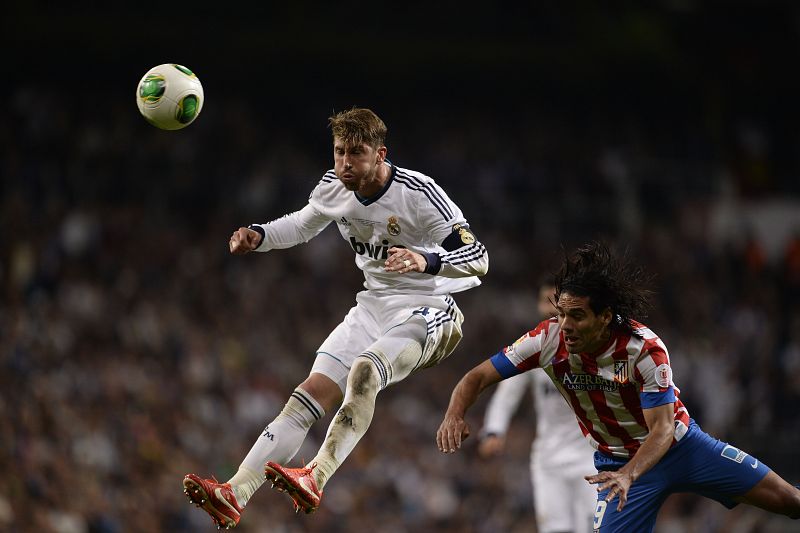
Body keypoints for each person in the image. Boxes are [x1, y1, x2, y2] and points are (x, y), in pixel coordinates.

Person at [183, 107, 489, 529]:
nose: (345, 163)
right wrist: (261, 236)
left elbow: (479, 257)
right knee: (308, 394)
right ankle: (236, 491)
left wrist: (426, 258)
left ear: (380, 155)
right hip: (373, 306)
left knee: (365, 370)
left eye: (356, 153)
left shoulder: (419, 193)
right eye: (339, 152)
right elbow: (305, 224)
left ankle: (317, 474)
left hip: (430, 309)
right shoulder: (334, 186)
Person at [437, 242, 800, 532]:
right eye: (561, 313)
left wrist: (629, 475)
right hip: (616, 464)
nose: (565, 324)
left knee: (787, 501)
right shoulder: (546, 340)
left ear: (605, 317)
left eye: (577, 315)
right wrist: (455, 414)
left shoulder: (645, 349)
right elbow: (477, 377)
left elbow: (661, 430)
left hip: (681, 447)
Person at [478, 278, 596, 533]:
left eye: (557, 301)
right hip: (548, 457)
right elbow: (507, 393)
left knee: (593, 528)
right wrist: (494, 430)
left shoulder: (592, 346)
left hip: (591, 457)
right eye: (546, 301)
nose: (551, 307)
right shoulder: (533, 348)